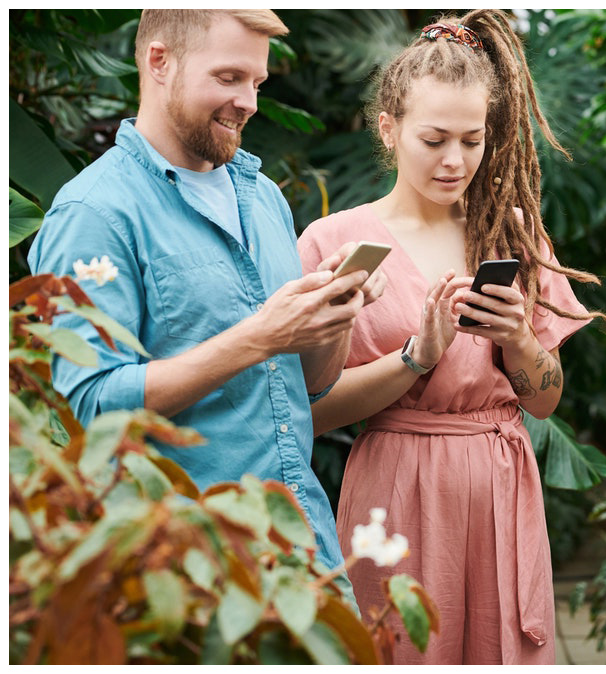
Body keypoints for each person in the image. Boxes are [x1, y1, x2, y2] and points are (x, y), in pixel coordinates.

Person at [28, 10, 384, 585]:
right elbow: (88, 411)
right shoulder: (94, 214)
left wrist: (334, 315)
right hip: (183, 569)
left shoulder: (263, 197)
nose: (248, 101)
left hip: (303, 548)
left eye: (257, 83)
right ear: (159, 61)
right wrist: (260, 336)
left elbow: (309, 384)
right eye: (228, 78)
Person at [296, 10, 599, 665]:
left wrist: (519, 339)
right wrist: (414, 359)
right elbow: (307, 412)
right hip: (398, 488)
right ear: (389, 128)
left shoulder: (511, 233)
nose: (455, 160)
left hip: (500, 484)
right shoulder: (336, 243)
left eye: (472, 139)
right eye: (434, 139)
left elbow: (544, 400)